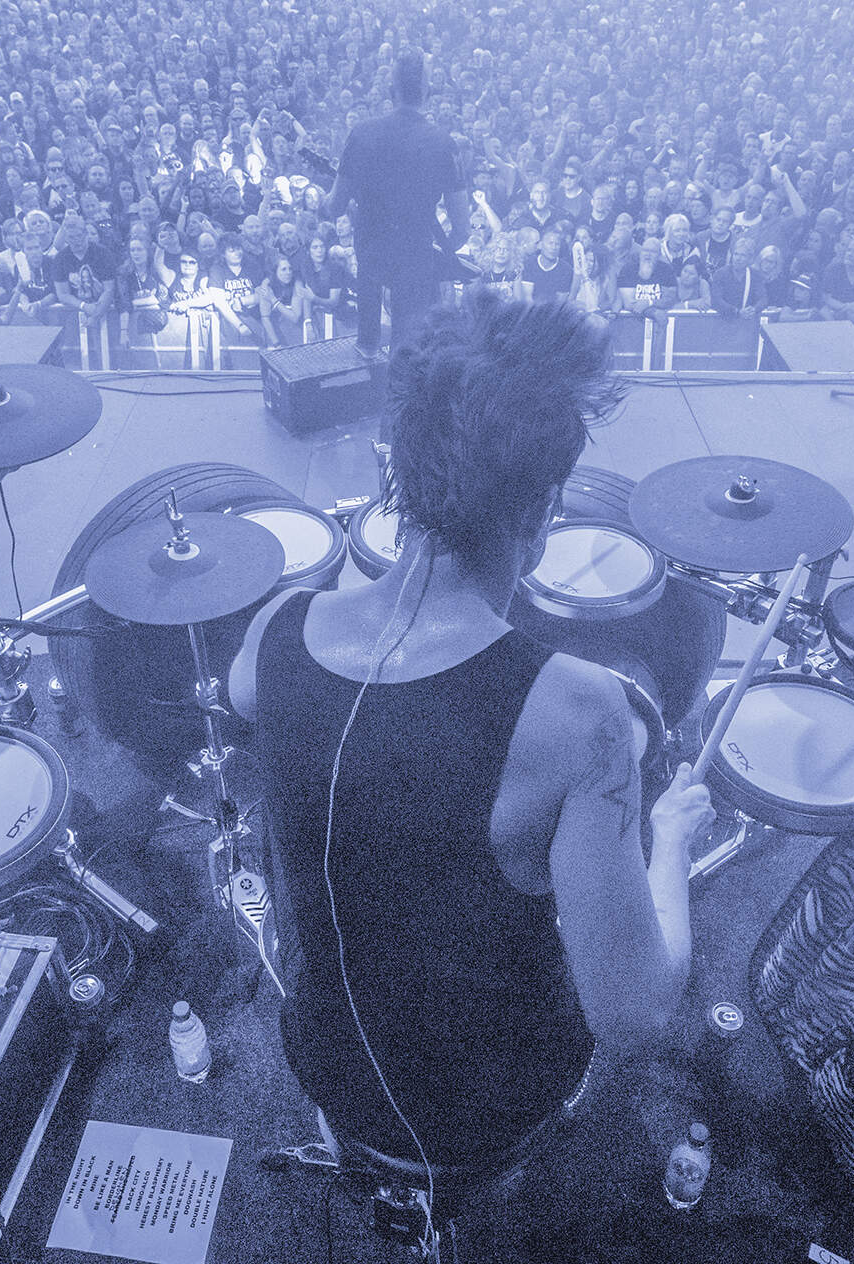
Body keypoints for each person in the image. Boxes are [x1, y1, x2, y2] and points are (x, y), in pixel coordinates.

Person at [228, 295, 713, 1170]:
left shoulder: (277, 630)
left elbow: (253, 700)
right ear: (542, 513)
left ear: (397, 471)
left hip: (324, 1061)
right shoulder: (581, 715)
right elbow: (634, 1014)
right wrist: (671, 839)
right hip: (486, 1109)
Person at [327, 51, 474, 357]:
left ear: (390, 92)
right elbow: (462, 228)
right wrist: (437, 254)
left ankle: (366, 355)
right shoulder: (444, 143)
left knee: (366, 348)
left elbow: (334, 207)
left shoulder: (362, 133)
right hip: (416, 259)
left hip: (370, 258)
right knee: (408, 353)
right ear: (428, 92)